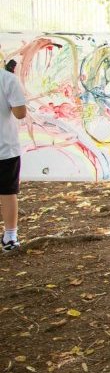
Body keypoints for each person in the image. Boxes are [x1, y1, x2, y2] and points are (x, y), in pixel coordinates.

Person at [0, 58, 27, 254]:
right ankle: (10, 236)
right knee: (8, 193)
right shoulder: (8, 79)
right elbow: (20, 113)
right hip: (5, 147)